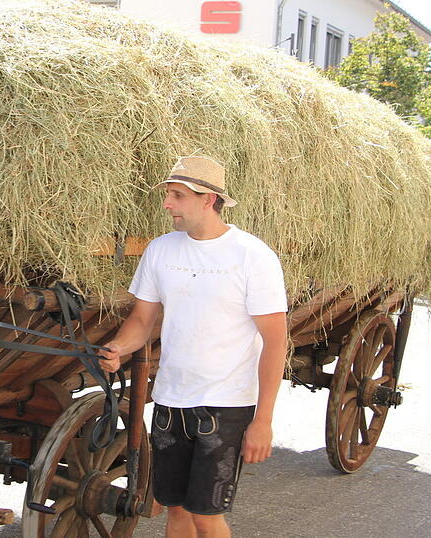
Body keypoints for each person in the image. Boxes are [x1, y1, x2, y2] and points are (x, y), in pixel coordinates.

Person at [97, 156, 288, 538]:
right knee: (176, 511)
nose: (167, 203)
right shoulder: (161, 250)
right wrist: (118, 346)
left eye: (178, 196)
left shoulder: (252, 256)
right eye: (168, 194)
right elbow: (142, 320)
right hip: (170, 401)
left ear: (209, 199)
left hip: (226, 406)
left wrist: (262, 420)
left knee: (206, 517)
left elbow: (275, 342)